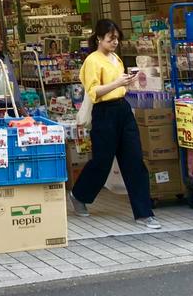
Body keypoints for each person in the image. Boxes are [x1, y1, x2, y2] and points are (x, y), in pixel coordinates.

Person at [69, 19, 161, 230]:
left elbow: (118, 87)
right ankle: (79, 194)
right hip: (104, 112)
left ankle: (144, 213)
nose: (115, 42)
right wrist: (118, 83)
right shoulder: (92, 61)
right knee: (102, 161)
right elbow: (94, 92)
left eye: (117, 38)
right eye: (111, 38)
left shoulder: (116, 59)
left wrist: (127, 83)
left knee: (134, 160)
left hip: (122, 109)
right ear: (99, 38)